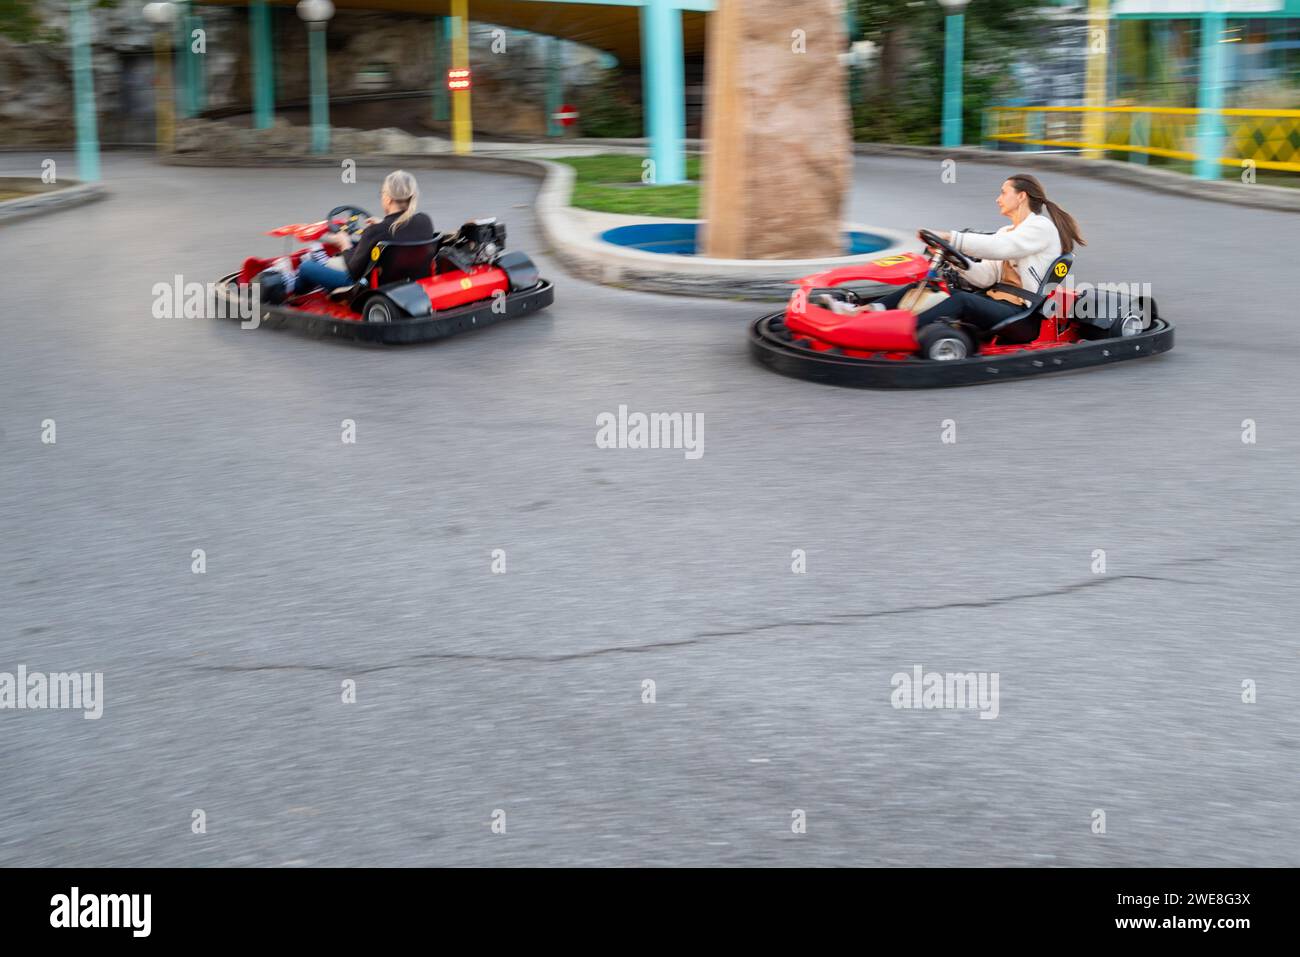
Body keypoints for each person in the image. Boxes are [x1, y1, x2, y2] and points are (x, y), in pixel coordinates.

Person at [876, 173, 1085, 335]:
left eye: (1003, 192)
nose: (997, 199)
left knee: (963, 301)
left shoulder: (1041, 228)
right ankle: (871, 312)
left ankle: (899, 331)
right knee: (939, 290)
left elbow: (1002, 247)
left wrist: (952, 238)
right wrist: (954, 258)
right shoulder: (1006, 231)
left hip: (1024, 314)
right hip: (996, 301)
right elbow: (985, 278)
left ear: (1021, 197)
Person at [297, 170, 436, 292]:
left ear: (388, 199)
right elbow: (401, 230)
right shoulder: (425, 221)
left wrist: (344, 244)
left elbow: (352, 271)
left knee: (306, 267)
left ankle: (293, 294)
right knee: (354, 243)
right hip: (409, 279)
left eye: (382, 193)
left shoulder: (376, 231)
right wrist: (382, 223)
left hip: (364, 284)